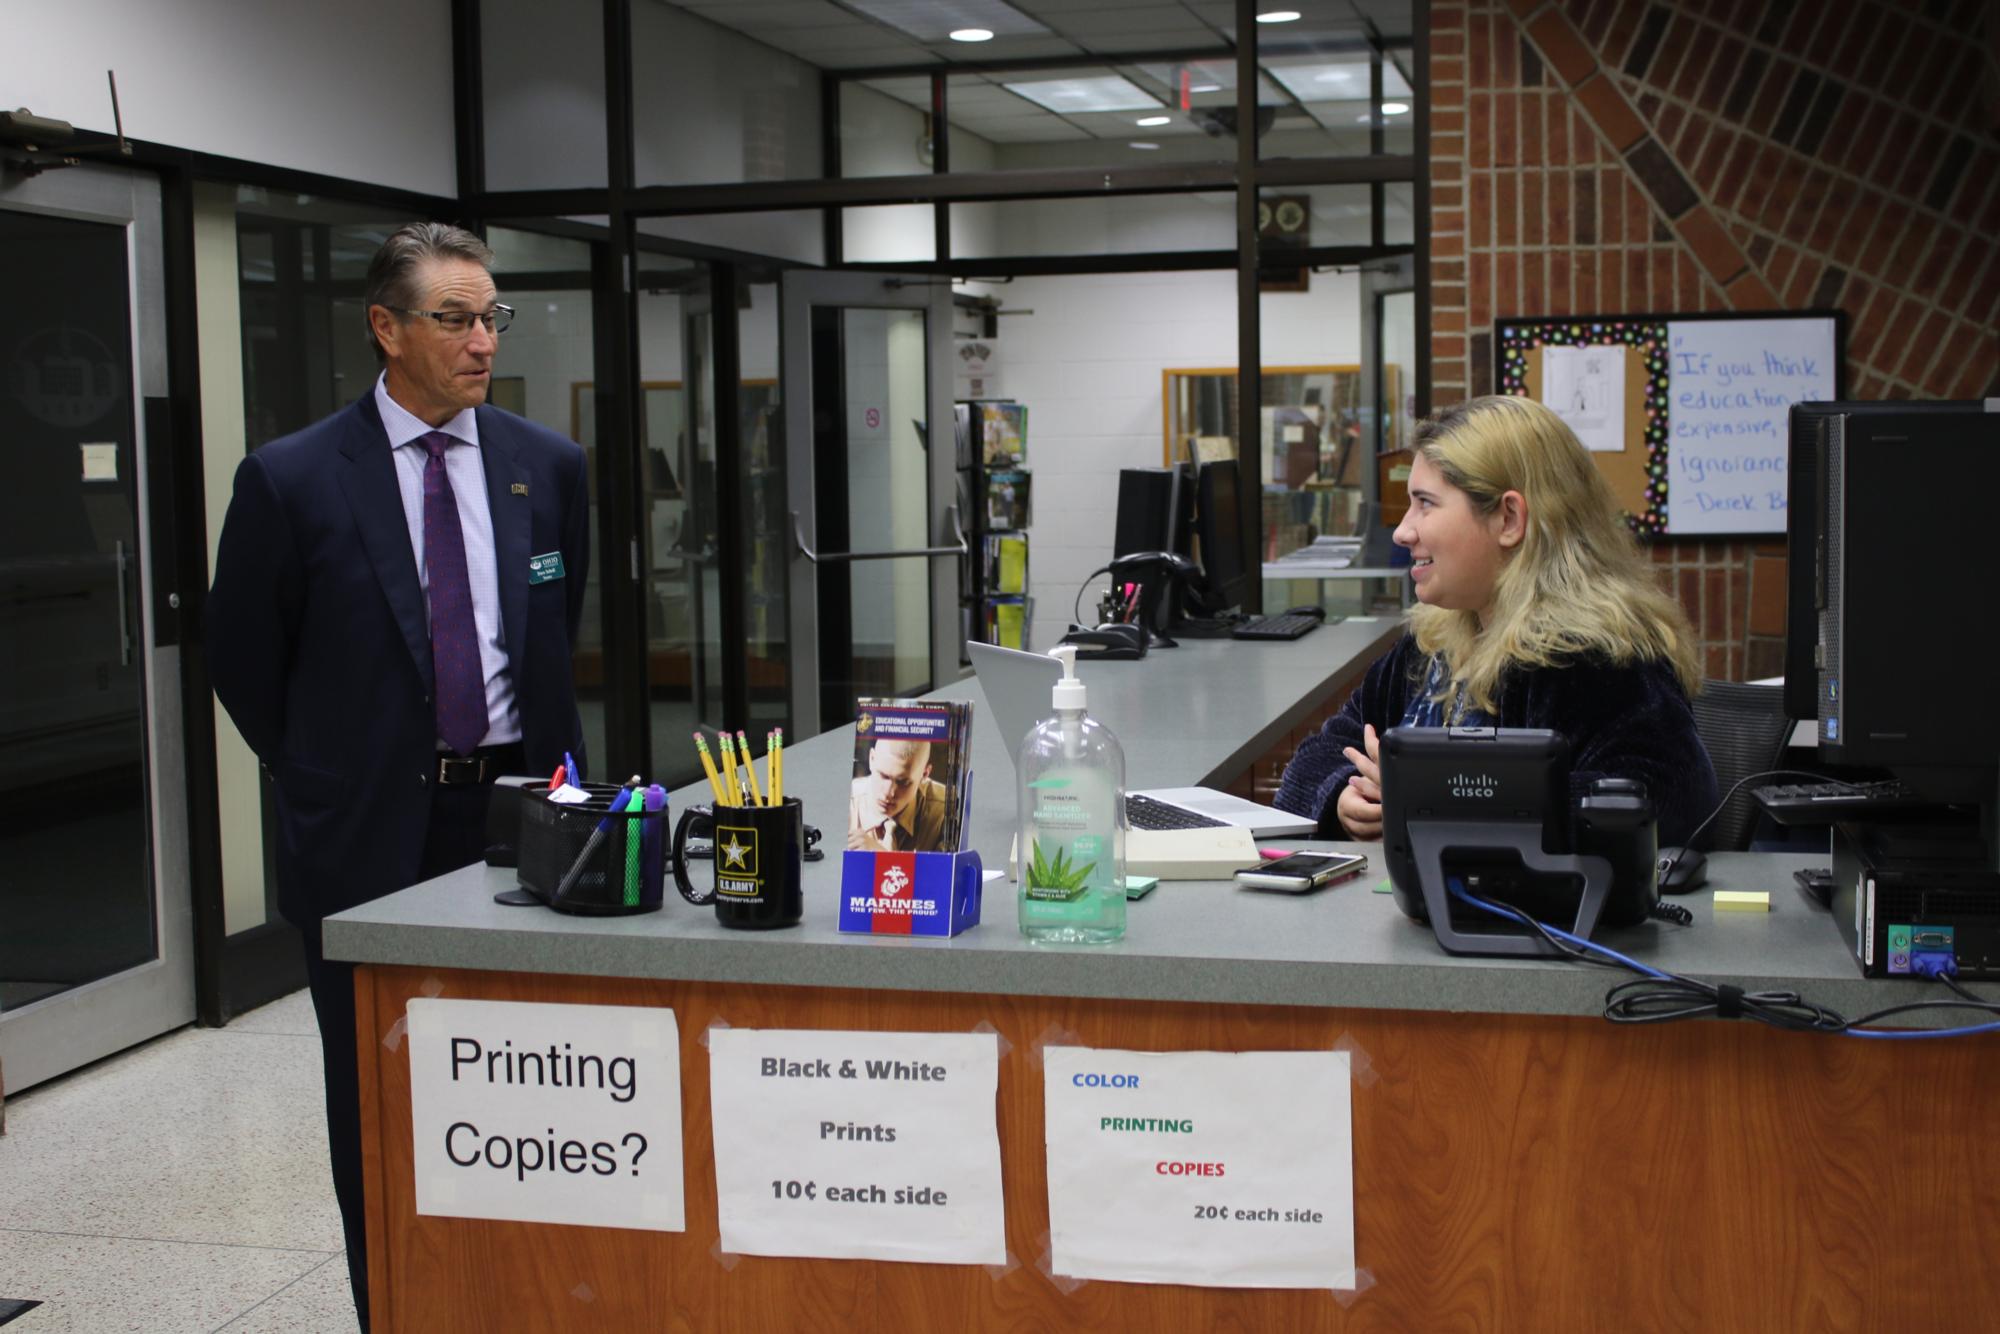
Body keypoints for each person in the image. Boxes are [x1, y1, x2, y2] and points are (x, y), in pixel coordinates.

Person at [205, 223, 589, 1330]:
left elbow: (555, 625)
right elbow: (244, 660)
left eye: (491, 318)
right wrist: (328, 768)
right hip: (368, 827)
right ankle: (399, 1307)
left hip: (523, 817)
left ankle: (529, 1296)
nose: (481, 341)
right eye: (455, 319)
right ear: (385, 327)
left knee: (532, 1072)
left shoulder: (543, 464)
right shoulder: (291, 479)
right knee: (378, 1095)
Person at [1276, 394, 1717, 847]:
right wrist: (1345, 801)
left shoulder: (1603, 661)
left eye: (1426, 504)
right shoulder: (1433, 641)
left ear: (1509, 518)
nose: (1403, 530)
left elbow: (1658, 802)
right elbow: (1317, 759)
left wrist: (1437, 801)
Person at [847, 738, 950, 851]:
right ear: (872, 759)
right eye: (883, 776)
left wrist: (882, 858)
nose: (888, 793)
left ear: (924, 774)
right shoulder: (848, 802)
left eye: (903, 782)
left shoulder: (946, 811)